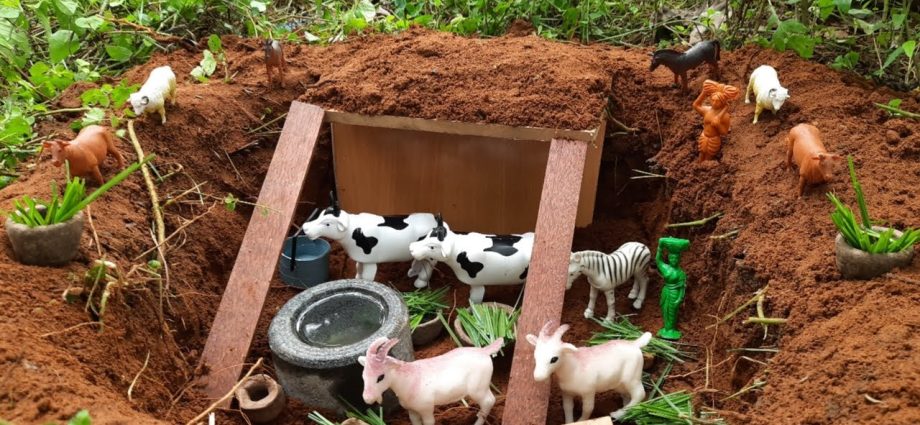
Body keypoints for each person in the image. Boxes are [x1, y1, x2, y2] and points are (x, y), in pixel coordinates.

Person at [656, 237, 690, 340]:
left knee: (672, 312)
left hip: (674, 293)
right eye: (671, 258)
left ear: (679, 259)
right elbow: (658, 260)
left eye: (675, 258)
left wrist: (679, 299)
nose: (673, 260)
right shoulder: (665, 268)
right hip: (666, 292)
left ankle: (671, 330)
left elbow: (682, 288)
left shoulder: (681, 273)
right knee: (664, 310)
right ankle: (666, 329)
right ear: (669, 258)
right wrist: (660, 248)